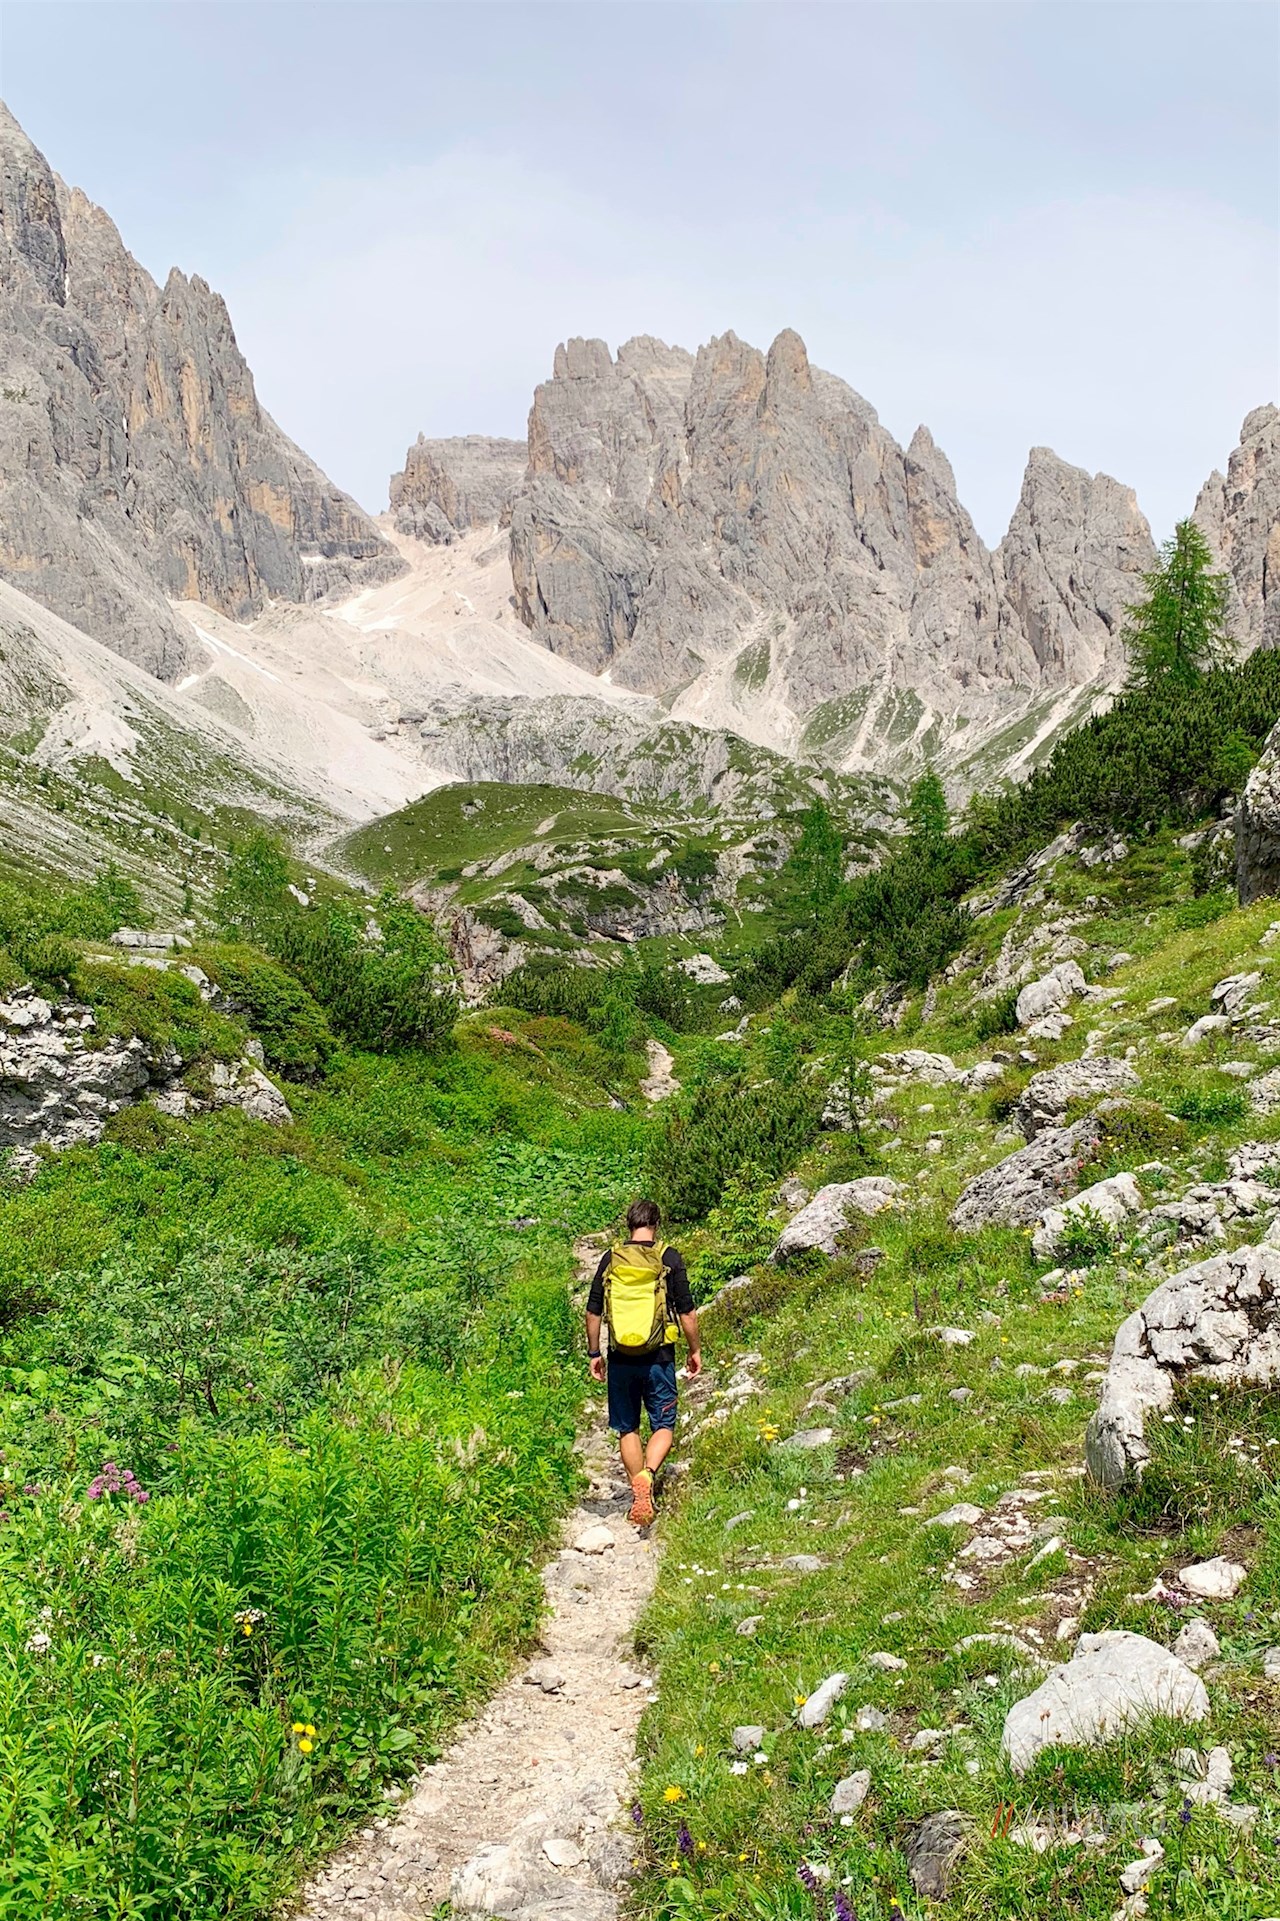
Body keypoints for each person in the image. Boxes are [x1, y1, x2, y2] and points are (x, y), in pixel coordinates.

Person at [585, 1197, 701, 1527]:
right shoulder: (668, 1257)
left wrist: (594, 1353)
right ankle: (647, 1476)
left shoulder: (611, 1258)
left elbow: (593, 1311)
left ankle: (639, 1490)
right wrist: (694, 1350)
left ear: (629, 1225)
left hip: (621, 1356)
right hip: (659, 1357)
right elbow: (687, 1311)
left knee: (628, 1427)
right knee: (663, 1424)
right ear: (655, 1224)